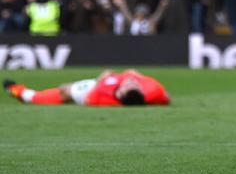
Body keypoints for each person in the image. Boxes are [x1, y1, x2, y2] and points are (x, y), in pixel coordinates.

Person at [4, 69, 170, 106]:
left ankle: (16, 91)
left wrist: (102, 78)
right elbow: (165, 97)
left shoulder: (100, 95)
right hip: (100, 83)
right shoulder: (150, 92)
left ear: (121, 94)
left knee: (61, 91)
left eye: (130, 85)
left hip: (89, 89)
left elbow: (92, 92)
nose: (131, 81)